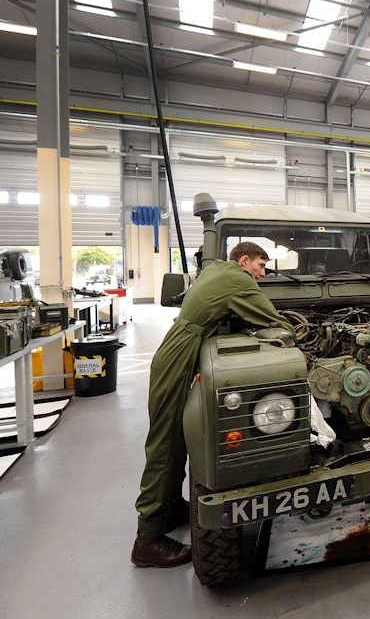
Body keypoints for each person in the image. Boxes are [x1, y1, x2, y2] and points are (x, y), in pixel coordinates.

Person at [131, 242, 294, 568]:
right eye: (261, 266)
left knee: (177, 438)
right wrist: (293, 330)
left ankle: (169, 507)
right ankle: (147, 539)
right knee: (165, 442)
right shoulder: (238, 280)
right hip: (182, 353)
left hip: (180, 346)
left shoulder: (217, 269)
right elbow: (275, 321)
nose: (262, 273)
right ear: (244, 260)